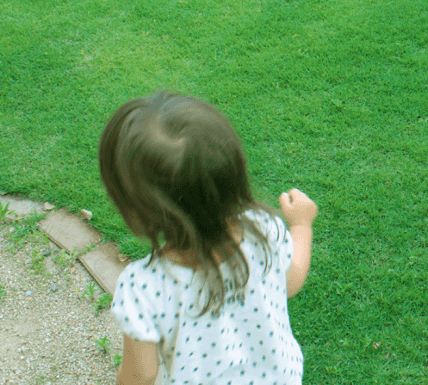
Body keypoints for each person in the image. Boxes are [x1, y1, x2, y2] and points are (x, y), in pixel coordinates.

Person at [98, 92, 318, 385]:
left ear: (135, 208)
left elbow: (141, 375)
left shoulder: (143, 287)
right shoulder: (264, 230)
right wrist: (302, 225)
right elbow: (290, 282)